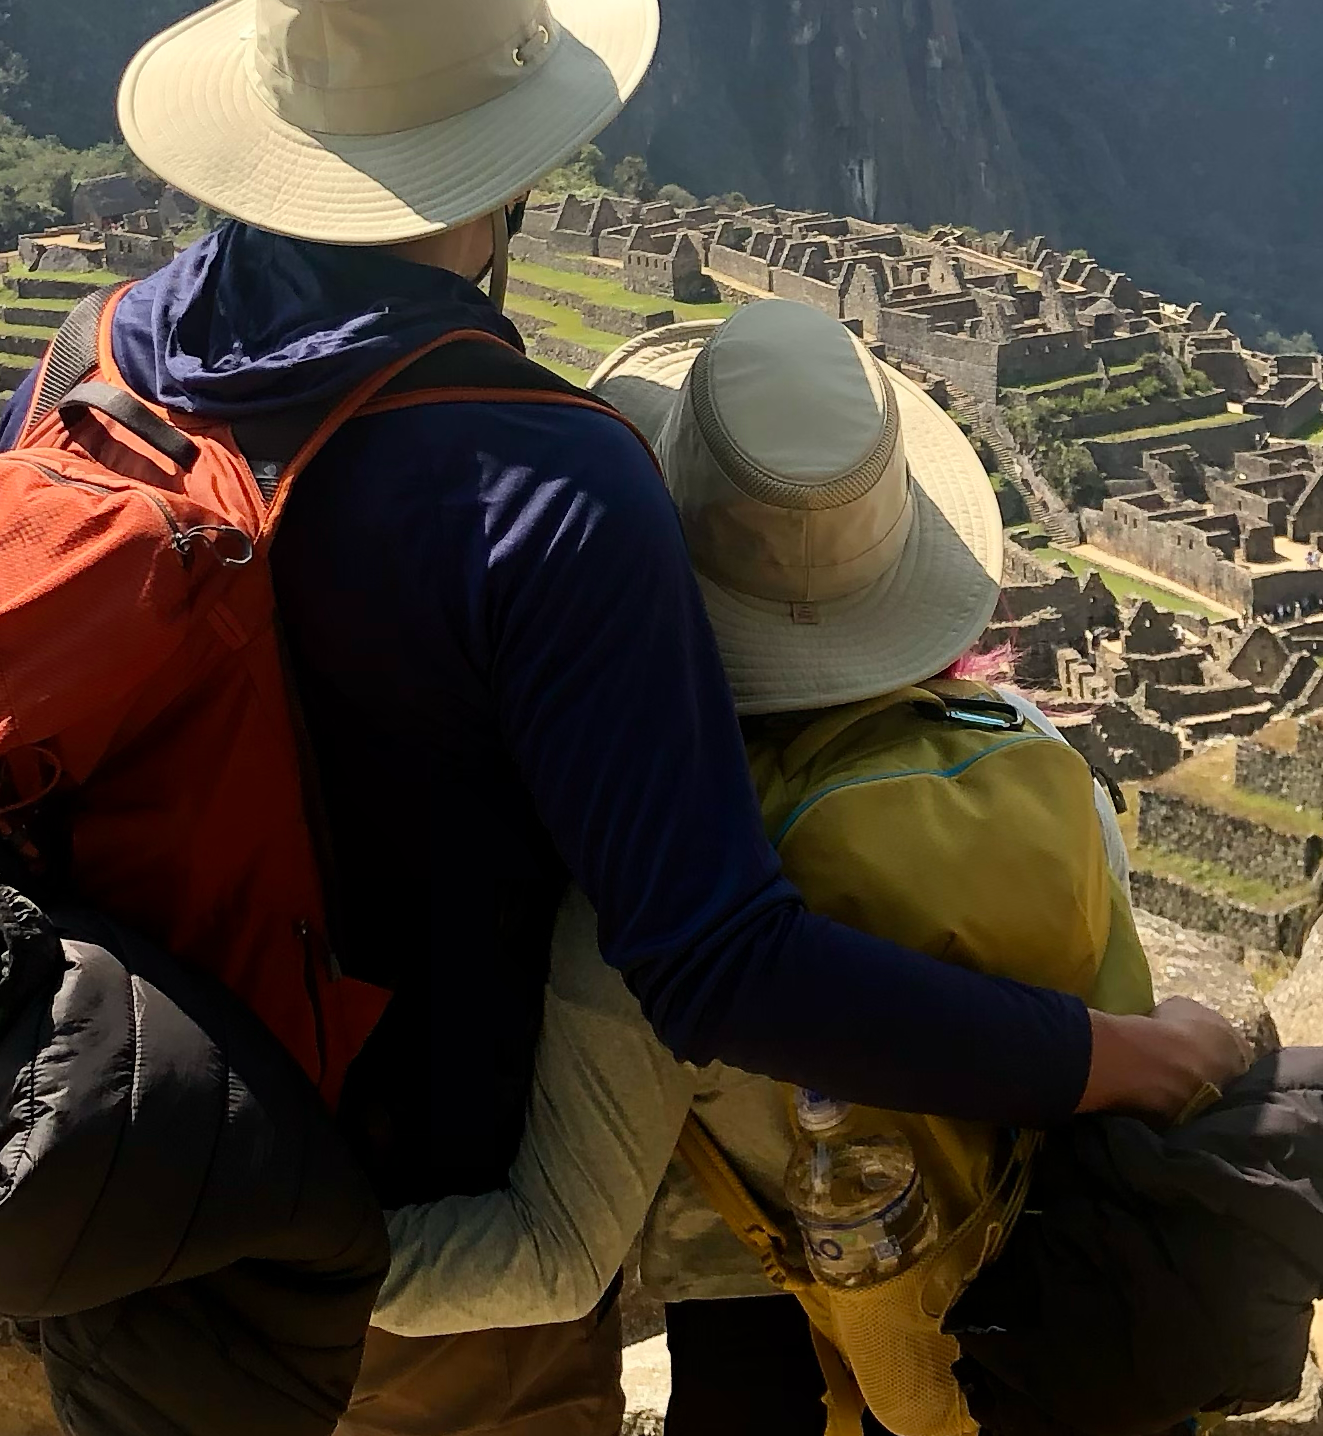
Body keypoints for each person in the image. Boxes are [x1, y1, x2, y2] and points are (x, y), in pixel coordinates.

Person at [3, 0, 1249, 1432]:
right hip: (407, 1242)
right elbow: (717, 961)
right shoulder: (543, 484)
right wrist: (1102, 1058)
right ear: (505, 159)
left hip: (124, 1162)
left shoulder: (86, 365)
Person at [370, 301, 1170, 1435]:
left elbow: (551, 1254)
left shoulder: (665, 865)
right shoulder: (1033, 756)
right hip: (1032, 1306)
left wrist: (252, 1257)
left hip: (766, 1341)